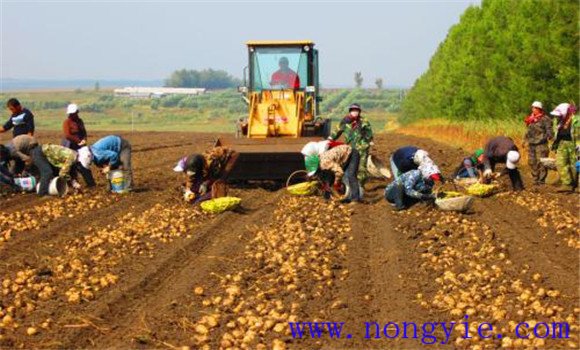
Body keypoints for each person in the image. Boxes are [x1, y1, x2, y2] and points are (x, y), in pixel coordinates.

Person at [328, 103, 374, 185]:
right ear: (350, 111)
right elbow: (337, 131)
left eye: (356, 110)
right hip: (350, 150)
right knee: (349, 169)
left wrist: (368, 140)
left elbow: (369, 134)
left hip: (362, 149)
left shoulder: (364, 122)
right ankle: (348, 186)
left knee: (361, 169)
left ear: (359, 112)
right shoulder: (345, 121)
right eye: (353, 110)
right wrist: (330, 139)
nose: (355, 112)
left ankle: (360, 187)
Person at [550, 103, 578, 192]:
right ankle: (567, 184)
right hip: (561, 143)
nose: (558, 116)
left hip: (573, 144)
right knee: (560, 163)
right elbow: (555, 131)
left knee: (574, 165)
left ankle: (575, 184)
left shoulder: (576, 120)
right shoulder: (559, 121)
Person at [524, 101, 553, 185]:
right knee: (532, 162)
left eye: (535, 108)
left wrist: (549, 138)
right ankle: (535, 179)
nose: (533, 109)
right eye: (532, 108)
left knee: (542, 163)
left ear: (539, 109)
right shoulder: (530, 119)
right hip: (531, 144)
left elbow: (549, 131)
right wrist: (524, 140)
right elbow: (528, 131)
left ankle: (541, 180)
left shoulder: (545, 119)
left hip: (541, 144)